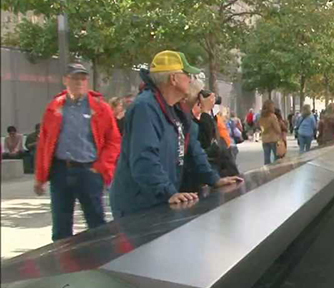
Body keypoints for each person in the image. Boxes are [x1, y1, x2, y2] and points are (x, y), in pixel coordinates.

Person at [110, 51, 242, 218]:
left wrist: (214, 179)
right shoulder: (145, 108)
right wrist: (168, 191)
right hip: (138, 206)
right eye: (187, 74)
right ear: (173, 79)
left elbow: (194, 149)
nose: (191, 79)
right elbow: (144, 159)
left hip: (159, 200)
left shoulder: (175, 109)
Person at [34, 62, 122, 241]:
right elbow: (44, 142)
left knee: (96, 223)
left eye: (83, 79)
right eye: (75, 79)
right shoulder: (54, 108)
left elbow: (114, 140)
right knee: (61, 225)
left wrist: (101, 167)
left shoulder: (100, 107)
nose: (80, 83)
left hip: (89, 170)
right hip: (61, 171)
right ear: (65, 80)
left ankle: (101, 261)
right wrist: (40, 177)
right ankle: (62, 265)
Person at [259, 100, 287, 165]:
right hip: (273, 139)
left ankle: (267, 171)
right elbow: (277, 129)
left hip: (265, 139)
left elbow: (261, 127)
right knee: (277, 157)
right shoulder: (272, 116)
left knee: (266, 158)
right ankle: (275, 170)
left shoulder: (261, 117)